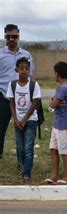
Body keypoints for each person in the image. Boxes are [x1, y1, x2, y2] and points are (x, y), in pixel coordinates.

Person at [0, 24, 34, 160]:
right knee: (0, 128)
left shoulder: (27, 55)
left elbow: (31, 76)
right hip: (3, 97)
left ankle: (24, 157)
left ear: (19, 36)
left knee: (23, 127)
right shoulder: (0, 55)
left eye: (14, 36)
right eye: (8, 37)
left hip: (22, 99)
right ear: (5, 37)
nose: (12, 39)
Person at [6, 57, 41, 184]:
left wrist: (24, 119)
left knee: (28, 148)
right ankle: (20, 168)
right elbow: (11, 103)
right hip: (17, 122)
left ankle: (27, 173)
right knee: (20, 147)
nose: (24, 71)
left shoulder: (33, 85)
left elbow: (35, 103)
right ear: (17, 69)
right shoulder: (12, 85)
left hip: (30, 121)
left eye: (26, 68)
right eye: (22, 68)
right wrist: (16, 119)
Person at [43, 61, 67, 185]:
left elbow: (52, 104)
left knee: (63, 150)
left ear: (58, 74)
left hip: (63, 124)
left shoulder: (63, 88)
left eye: (55, 73)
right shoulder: (61, 87)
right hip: (57, 123)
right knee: (53, 148)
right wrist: (54, 102)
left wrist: (53, 102)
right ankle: (54, 174)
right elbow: (54, 102)